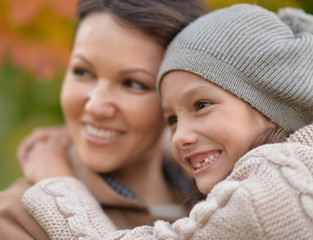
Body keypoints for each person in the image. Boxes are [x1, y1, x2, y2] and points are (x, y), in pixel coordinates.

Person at [21, 4, 313, 239]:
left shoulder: (270, 192)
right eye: (171, 119)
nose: (179, 137)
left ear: (272, 104)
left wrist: (55, 181)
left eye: (201, 105)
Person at [0, 0, 209, 239]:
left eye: (132, 83)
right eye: (82, 72)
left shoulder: (223, 190)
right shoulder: (16, 217)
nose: (96, 106)